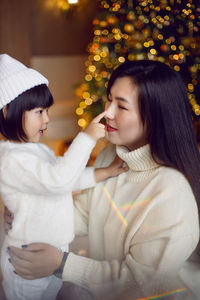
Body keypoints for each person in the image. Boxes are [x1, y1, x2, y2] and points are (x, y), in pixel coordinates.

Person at [4, 60, 200, 300]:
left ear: (155, 116)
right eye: (110, 99)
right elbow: (84, 214)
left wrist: (63, 264)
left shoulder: (172, 193)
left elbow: (141, 282)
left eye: (122, 106)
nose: (107, 112)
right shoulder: (111, 154)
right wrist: (35, 214)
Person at [0, 54, 128, 300]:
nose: (47, 119)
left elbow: (65, 177)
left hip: (50, 252)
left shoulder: (33, 150)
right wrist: (87, 138)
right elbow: (60, 179)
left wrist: (104, 172)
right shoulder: (12, 159)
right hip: (29, 258)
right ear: (7, 112)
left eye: (47, 111)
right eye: (39, 112)